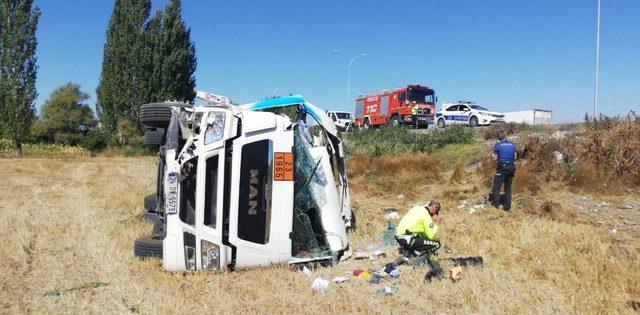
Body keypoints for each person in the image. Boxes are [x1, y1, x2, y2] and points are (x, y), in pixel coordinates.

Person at [393, 200, 444, 280]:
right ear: (434, 209)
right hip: (408, 239)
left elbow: (424, 235)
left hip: (399, 236)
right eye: (435, 213)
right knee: (437, 244)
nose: (434, 215)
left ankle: (408, 251)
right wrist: (437, 222)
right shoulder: (426, 215)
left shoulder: (417, 209)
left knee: (422, 238)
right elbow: (430, 236)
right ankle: (413, 259)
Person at [491, 131, 517, 211]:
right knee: (508, 188)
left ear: (499, 138)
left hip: (502, 167)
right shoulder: (513, 145)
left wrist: (495, 160)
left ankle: (495, 205)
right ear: (506, 137)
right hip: (511, 168)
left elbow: (494, 158)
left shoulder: (498, 146)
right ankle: (507, 207)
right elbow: (515, 157)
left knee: (496, 186)